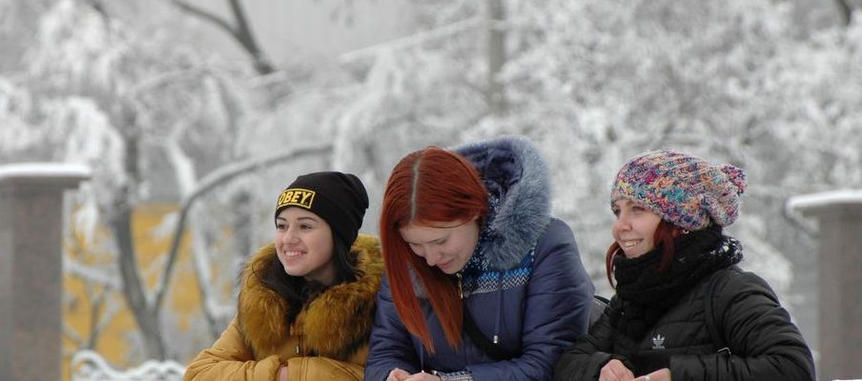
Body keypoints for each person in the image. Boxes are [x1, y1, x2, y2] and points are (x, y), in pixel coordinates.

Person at [554, 150, 815, 381]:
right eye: (617, 211)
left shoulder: (729, 291)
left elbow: (793, 367)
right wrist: (601, 367)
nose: (620, 226)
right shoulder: (630, 301)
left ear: (680, 221)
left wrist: (677, 375)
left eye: (637, 209)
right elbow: (569, 362)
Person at [364, 136, 595, 381]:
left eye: (440, 241)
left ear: (474, 210)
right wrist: (391, 376)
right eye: (415, 244)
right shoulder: (408, 260)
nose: (430, 259)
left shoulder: (546, 246)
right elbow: (386, 351)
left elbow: (551, 363)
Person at [184, 171, 383, 381]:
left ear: (339, 235)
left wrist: (297, 374)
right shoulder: (265, 303)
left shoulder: (382, 302)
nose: (288, 238)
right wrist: (281, 375)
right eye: (282, 226)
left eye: (305, 226)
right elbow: (199, 375)